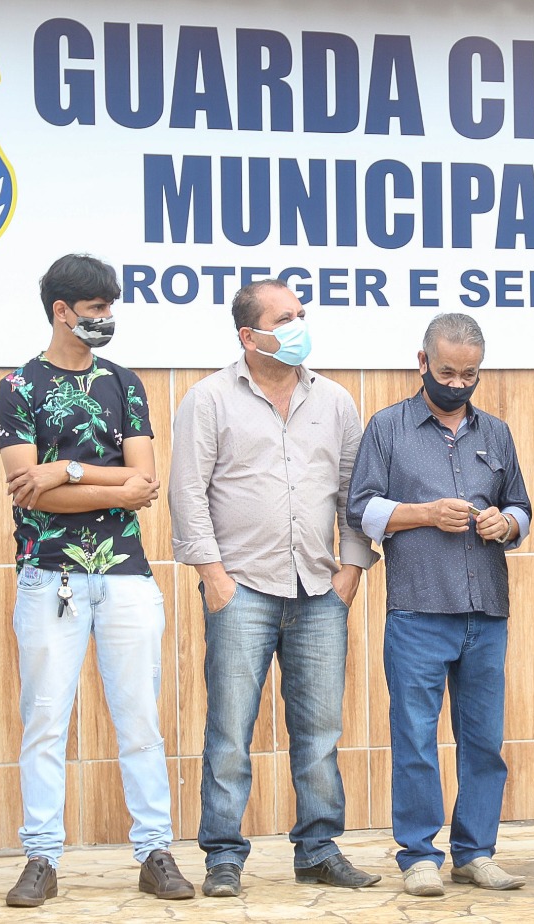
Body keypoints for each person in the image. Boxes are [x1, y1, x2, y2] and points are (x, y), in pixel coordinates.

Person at [0, 254, 194, 907]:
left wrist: (67, 472)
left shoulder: (123, 383)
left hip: (127, 575)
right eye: (97, 309)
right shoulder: (19, 387)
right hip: (48, 576)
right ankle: (41, 858)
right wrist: (66, 483)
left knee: (140, 718)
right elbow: (29, 495)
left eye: (110, 308)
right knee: (45, 720)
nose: (107, 319)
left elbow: (145, 483)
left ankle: (155, 852)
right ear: (62, 311)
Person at [169, 279, 379, 897]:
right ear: (248, 334)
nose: (298, 325)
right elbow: (187, 493)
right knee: (230, 732)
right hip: (242, 589)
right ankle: (224, 856)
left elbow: (353, 492)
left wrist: (351, 571)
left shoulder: (336, 401)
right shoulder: (208, 399)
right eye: (285, 318)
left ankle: (317, 848)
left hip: (320, 589)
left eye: (301, 315)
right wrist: (213, 577)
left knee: (319, 732)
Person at [346, 313, 533, 897]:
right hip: (418, 609)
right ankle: (418, 855)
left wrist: (508, 524)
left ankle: (475, 852)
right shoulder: (387, 428)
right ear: (422, 363)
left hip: (486, 611)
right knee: (415, 739)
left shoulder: (496, 433)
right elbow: (360, 509)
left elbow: (523, 507)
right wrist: (425, 513)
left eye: (469, 374)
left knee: (483, 741)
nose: (457, 382)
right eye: (447, 371)